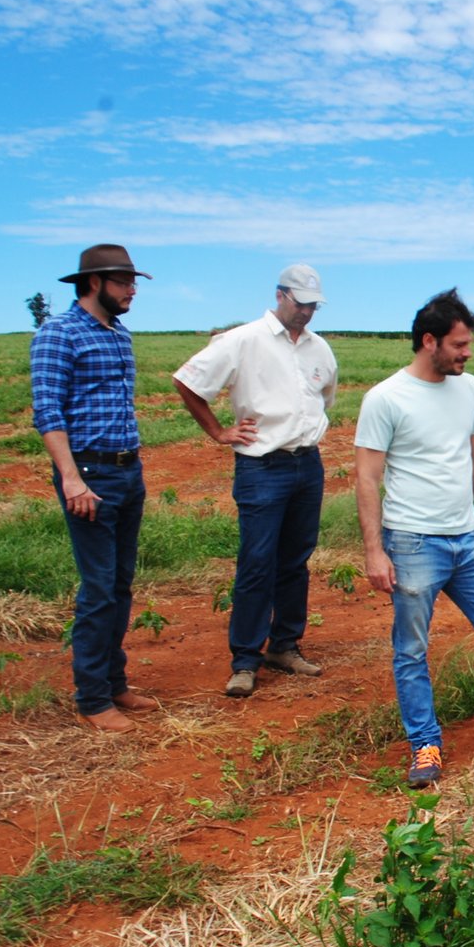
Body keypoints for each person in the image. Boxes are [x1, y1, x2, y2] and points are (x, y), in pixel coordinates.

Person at [354, 289, 474, 787]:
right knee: (412, 649)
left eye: (468, 343)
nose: (467, 353)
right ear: (429, 341)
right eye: (459, 344)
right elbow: (367, 478)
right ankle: (425, 744)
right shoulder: (385, 398)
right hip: (413, 541)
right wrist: (374, 550)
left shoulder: (469, 387)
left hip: (468, 537)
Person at [172, 264, 338, 698]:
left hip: (307, 464)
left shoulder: (320, 349)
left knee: (296, 560)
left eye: (314, 306)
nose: (307, 312)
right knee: (257, 562)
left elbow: (324, 400)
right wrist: (217, 431)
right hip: (262, 467)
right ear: (280, 295)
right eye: (301, 303)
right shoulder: (243, 340)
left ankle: (284, 646)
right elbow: (188, 382)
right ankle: (245, 660)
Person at [30, 244, 158, 732]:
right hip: (89, 475)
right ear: (94, 282)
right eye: (124, 282)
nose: (132, 291)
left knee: (120, 584)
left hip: (127, 471)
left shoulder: (118, 333)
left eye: (133, 282)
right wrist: (71, 478)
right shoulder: (58, 333)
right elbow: (48, 411)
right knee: (99, 588)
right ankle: (91, 698)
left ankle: (113, 681)